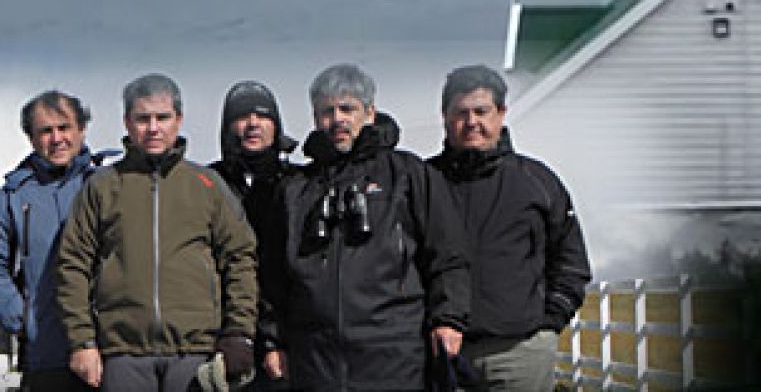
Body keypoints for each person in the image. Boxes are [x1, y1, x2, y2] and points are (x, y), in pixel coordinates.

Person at [264, 63, 470, 390]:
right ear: (315, 118)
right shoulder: (295, 190)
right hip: (315, 357)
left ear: (370, 112)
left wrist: (448, 320)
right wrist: (272, 340)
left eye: (348, 109)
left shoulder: (408, 175)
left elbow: (447, 256)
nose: (338, 120)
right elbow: (274, 277)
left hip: (394, 353)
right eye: (327, 111)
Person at [56, 73, 258, 392]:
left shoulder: (207, 185)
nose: (153, 128)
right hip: (123, 354)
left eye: (162, 117)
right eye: (142, 118)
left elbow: (240, 260)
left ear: (178, 119)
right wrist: (82, 341)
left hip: (195, 352)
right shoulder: (103, 187)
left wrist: (238, 333)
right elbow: (73, 265)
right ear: (127, 122)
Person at [428, 65, 592, 391]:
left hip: (520, 353)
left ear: (501, 113)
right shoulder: (421, 182)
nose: (471, 122)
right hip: (440, 355)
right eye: (461, 112)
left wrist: (548, 325)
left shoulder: (537, 182)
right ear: (445, 115)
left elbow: (570, 262)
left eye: (481, 111)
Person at [0, 91, 108, 391]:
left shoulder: (105, 185)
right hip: (45, 350)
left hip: (109, 348)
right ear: (31, 138)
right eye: (45, 131)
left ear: (82, 130)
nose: (56, 138)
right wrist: (20, 317)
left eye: (64, 127)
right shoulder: (13, 195)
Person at [210, 81, 297, 390]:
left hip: (286, 336)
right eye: (242, 116)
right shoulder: (209, 181)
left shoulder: (297, 183)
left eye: (262, 116)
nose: (252, 124)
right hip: (225, 332)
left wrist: (279, 337)